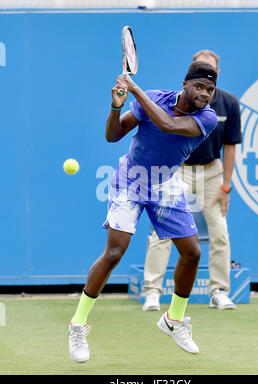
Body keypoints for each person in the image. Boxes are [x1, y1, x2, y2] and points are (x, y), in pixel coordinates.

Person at [68, 61, 218, 362]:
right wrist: (115, 107)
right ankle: (77, 324)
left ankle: (174, 320)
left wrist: (135, 90)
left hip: (165, 183)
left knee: (192, 252)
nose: (204, 94)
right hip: (130, 180)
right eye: (199, 86)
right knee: (114, 253)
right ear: (184, 84)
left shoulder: (208, 118)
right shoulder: (155, 97)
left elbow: (170, 126)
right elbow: (113, 136)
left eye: (210, 90)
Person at [142, 50, 242, 312]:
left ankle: (219, 291)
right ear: (189, 77)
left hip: (212, 171)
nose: (206, 77)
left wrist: (226, 185)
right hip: (179, 170)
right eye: (200, 71)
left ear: (217, 75)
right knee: (162, 230)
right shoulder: (180, 103)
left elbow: (231, 146)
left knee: (220, 231)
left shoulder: (229, 103)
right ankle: (152, 292)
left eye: (211, 72)